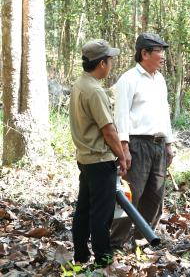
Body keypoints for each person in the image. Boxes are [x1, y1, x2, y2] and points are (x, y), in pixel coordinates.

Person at [69, 39, 130, 273]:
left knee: (84, 207)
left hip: (85, 158)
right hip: (99, 160)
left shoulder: (80, 84)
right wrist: (122, 156)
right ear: (102, 63)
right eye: (110, 60)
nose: (111, 64)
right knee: (101, 212)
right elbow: (109, 130)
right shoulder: (94, 90)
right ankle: (104, 259)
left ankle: (80, 255)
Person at [110, 33, 175, 250]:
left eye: (163, 51)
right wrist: (124, 148)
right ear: (144, 54)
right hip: (137, 144)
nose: (163, 56)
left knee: (155, 197)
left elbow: (164, 113)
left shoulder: (160, 79)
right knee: (131, 195)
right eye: (159, 51)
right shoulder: (129, 79)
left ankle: (142, 241)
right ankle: (116, 243)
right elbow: (121, 115)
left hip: (158, 145)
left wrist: (168, 144)